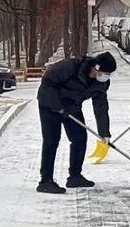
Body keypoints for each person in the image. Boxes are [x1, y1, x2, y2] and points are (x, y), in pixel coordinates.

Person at [35, 51, 118, 193]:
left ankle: (75, 176)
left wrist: (104, 133)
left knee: (79, 138)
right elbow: (47, 84)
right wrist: (58, 106)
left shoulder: (101, 83)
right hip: (50, 104)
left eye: (108, 74)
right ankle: (45, 181)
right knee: (51, 140)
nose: (106, 76)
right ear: (96, 67)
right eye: (105, 73)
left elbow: (101, 107)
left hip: (72, 107)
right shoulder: (70, 67)